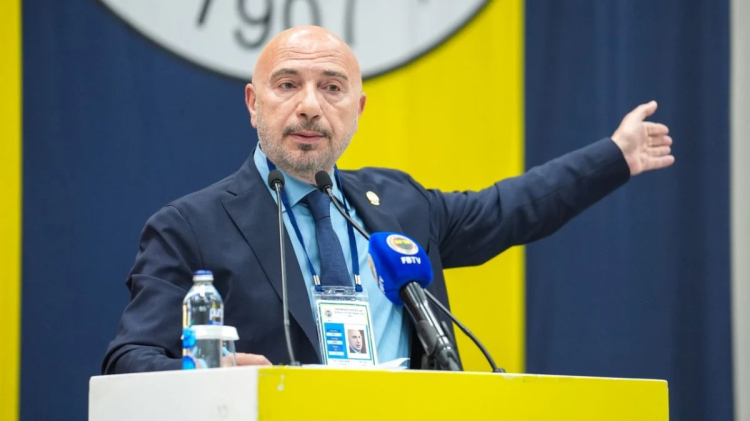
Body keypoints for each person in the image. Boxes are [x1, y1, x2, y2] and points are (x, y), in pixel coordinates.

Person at [102, 26, 674, 373]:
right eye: (288, 85)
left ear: (357, 110)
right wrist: (212, 374)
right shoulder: (190, 227)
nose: (309, 106)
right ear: (254, 103)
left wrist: (615, 155)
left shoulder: (399, 205)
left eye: (331, 87)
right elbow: (129, 361)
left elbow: (509, 208)